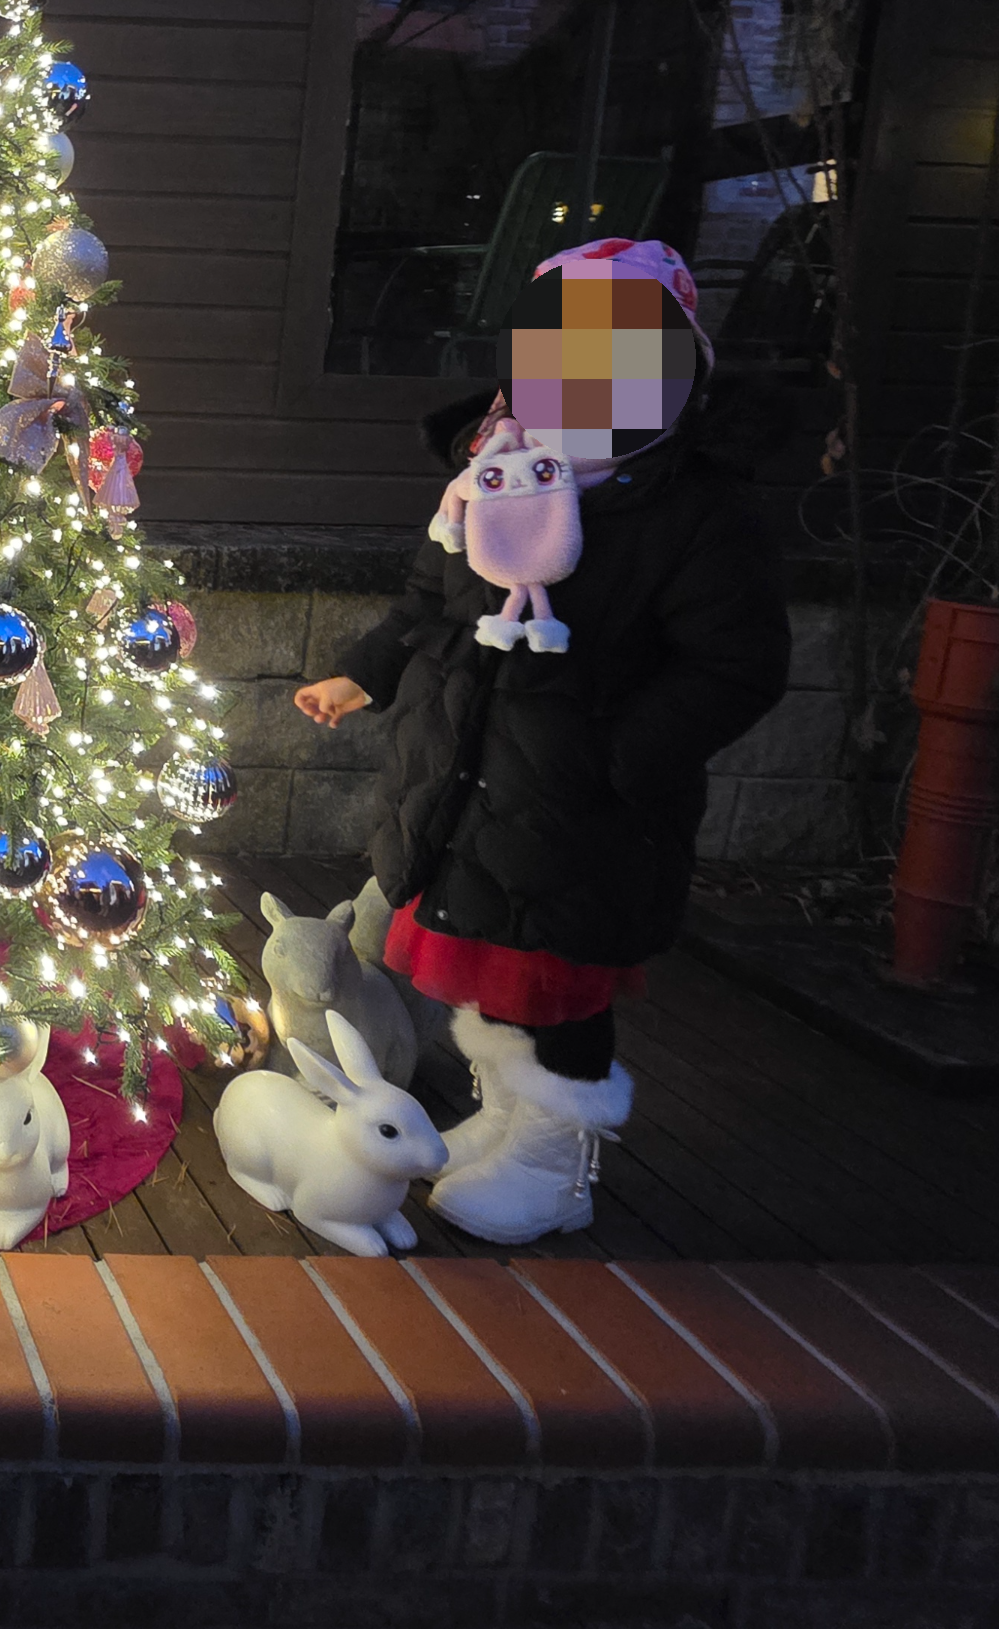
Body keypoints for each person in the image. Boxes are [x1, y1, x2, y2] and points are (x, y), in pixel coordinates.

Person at [294, 241, 789, 1243]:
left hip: (588, 807)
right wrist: (367, 671)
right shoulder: (494, 467)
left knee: (560, 983)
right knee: (493, 961)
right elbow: (430, 601)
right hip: (466, 783)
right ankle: (506, 1119)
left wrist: (621, 757)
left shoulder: (696, 511)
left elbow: (737, 665)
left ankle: (556, 1160)